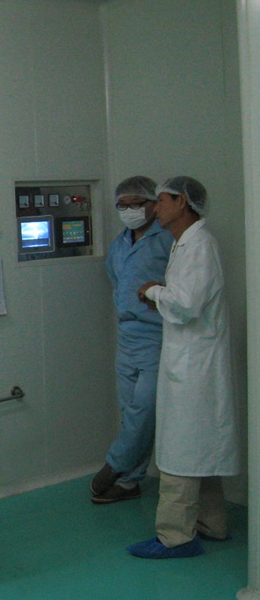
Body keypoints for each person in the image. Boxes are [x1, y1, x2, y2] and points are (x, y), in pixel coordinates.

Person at [128, 176, 240, 559]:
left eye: (161, 200)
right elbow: (187, 297)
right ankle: (212, 523)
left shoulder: (199, 245)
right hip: (192, 362)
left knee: (182, 447)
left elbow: (187, 303)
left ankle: (174, 537)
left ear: (182, 202)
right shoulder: (185, 243)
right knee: (200, 445)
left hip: (195, 367)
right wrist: (161, 294)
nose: (154, 208)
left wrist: (152, 291)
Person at [90, 177, 173, 504]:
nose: (129, 211)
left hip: (157, 335)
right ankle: (129, 481)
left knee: (144, 409)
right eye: (122, 205)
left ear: (153, 203)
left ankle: (116, 463)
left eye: (136, 204)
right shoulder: (119, 245)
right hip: (127, 337)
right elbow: (117, 282)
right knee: (129, 410)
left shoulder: (168, 240)